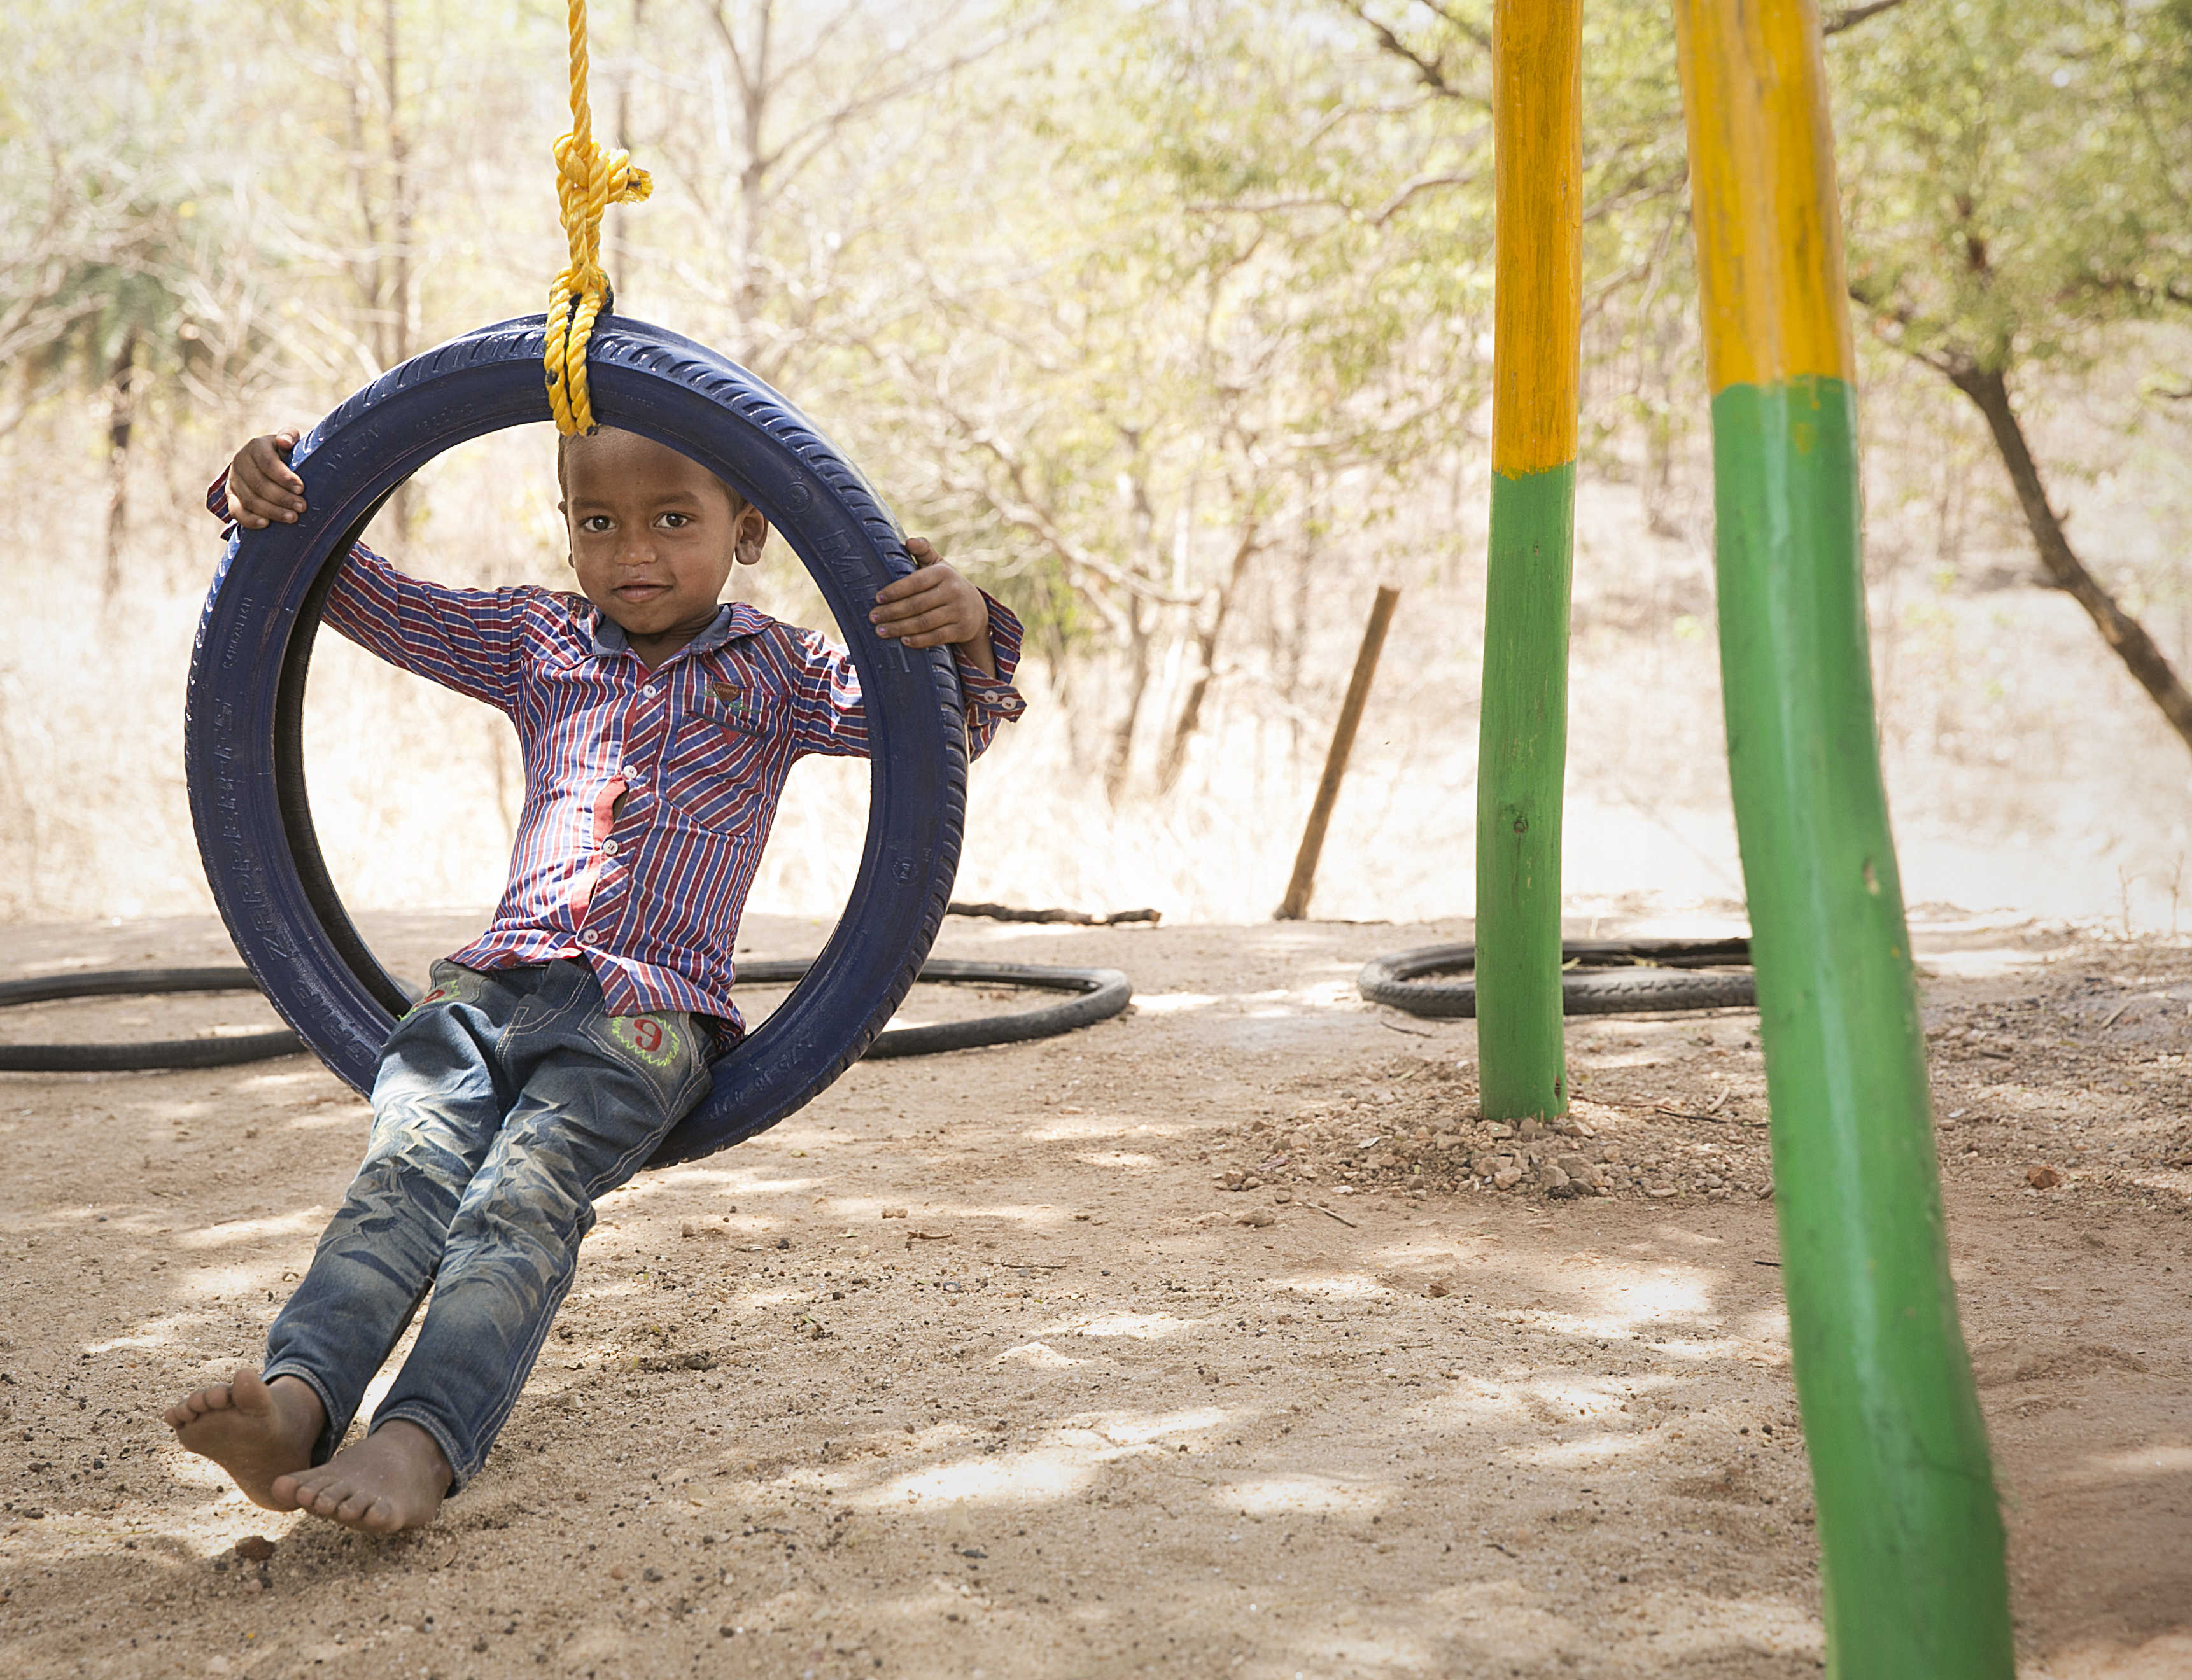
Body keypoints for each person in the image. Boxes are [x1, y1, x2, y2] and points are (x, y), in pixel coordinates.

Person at [164, 423, 1025, 1532]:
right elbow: (354, 591)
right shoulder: (536, 638)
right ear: (567, 536)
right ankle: (298, 1400)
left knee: (519, 1193)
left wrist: (963, 628)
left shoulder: (784, 673)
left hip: (646, 1014)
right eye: (600, 523)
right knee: (404, 1172)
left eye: (675, 520)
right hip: (489, 990)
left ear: (750, 532)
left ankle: (419, 1442)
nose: (637, 552)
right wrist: (278, 487)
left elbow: (940, 730)